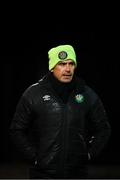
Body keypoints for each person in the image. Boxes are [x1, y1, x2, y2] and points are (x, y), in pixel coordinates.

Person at [10, 44, 111, 179]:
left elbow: (103, 129)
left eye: (71, 64)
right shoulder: (34, 94)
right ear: (52, 67)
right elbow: (17, 129)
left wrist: (88, 154)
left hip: (77, 174)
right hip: (43, 174)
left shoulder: (86, 94)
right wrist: (35, 157)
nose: (68, 69)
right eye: (62, 64)